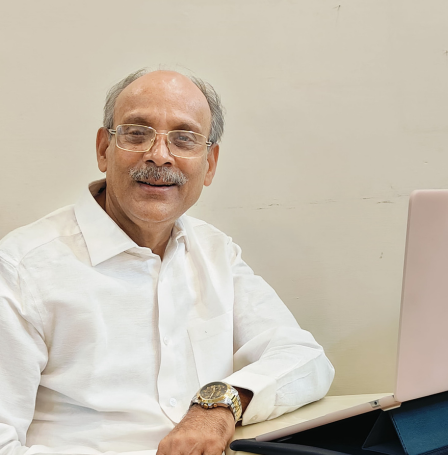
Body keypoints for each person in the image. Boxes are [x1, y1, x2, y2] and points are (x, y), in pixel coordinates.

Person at [0, 69, 334, 455]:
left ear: (209, 164)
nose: (159, 155)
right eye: (136, 133)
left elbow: (305, 358)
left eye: (184, 138)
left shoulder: (215, 252)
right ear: (104, 150)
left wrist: (218, 404)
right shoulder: (20, 270)